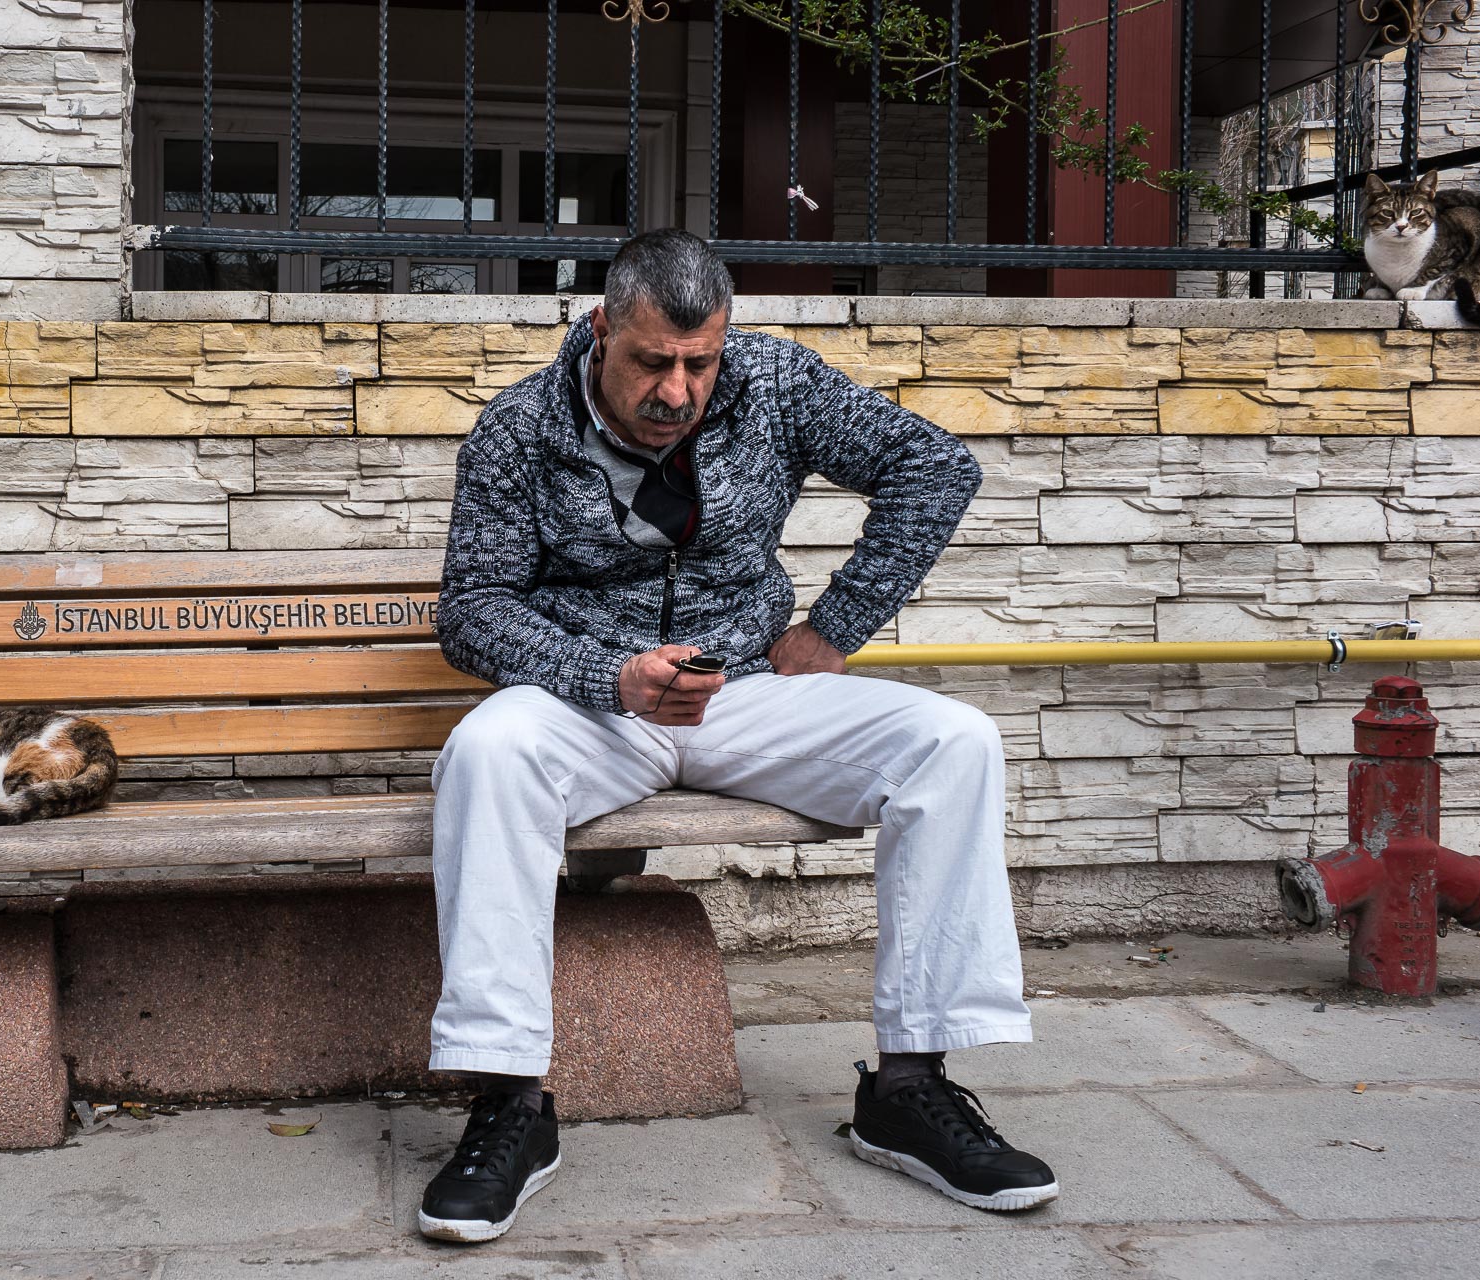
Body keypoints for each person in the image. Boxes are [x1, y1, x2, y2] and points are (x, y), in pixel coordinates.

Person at [415, 229, 1057, 1244]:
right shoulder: (521, 427)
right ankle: (509, 1101)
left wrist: (835, 626)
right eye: (652, 363)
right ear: (601, 331)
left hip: (746, 688)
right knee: (490, 752)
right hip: (593, 703)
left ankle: (911, 1085)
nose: (677, 389)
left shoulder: (775, 383)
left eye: (698, 362)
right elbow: (473, 610)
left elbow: (933, 466)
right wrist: (608, 674)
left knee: (953, 740)